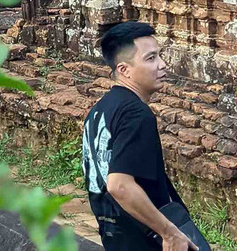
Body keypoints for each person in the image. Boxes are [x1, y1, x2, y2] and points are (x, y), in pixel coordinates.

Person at [81, 21, 200, 251]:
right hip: (147, 240)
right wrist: (169, 233)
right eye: (151, 58)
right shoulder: (137, 114)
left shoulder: (99, 111)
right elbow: (119, 185)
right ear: (124, 69)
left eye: (159, 56)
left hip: (114, 235)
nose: (162, 65)